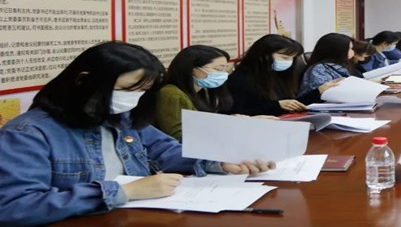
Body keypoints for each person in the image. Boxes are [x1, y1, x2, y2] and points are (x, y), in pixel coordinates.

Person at [0, 42, 274, 226]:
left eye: (143, 91)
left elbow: (166, 151)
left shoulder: (122, 119)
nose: (135, 99)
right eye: (127, 90)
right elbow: (13, 206)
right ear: (84, 81)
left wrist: (219, 162)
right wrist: (124, 191)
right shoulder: (29, 133)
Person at [155, 45, 233, 141]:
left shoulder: (203, 91)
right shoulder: (171, 94)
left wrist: (231, 123)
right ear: (193, 69)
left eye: (226, 69)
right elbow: (177, 136)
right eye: (218, 69)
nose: (224, 74)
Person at [226, 34, 310, 116]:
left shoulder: (282, 74)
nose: (290, 62)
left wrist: (315, 93)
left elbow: (294, 102)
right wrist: (277, 105)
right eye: (285, 58)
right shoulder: (241, 79)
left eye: (293, 58)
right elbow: (240, 111)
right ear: (264, 55)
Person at [299, 33, 353, 103]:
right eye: (350, 48)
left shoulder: (341, 66)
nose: (353, 51)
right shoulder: (319, 69)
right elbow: (324, 95)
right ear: (338, 50)